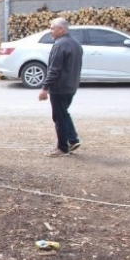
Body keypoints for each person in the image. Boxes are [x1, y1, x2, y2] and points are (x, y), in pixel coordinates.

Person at [38, 17, 83, 157]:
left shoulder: (60, 45)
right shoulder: (76, 44)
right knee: (63, 113)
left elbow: (54, 69)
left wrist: (45, 88)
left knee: (59, 116)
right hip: (71, 85)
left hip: (60, 87)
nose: (51, 31)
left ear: (61, 29)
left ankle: (62, 148)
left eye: (53, 28)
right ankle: (72, 139)